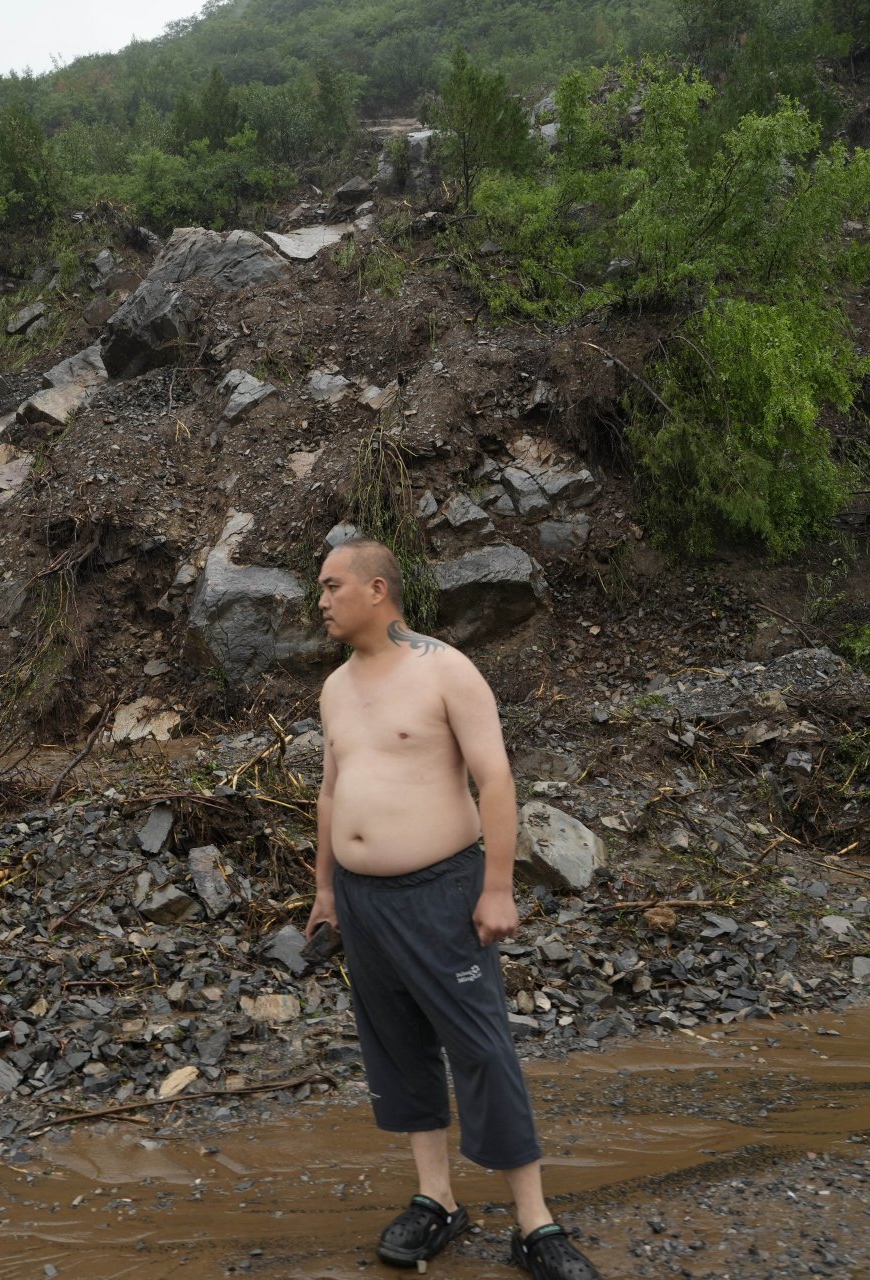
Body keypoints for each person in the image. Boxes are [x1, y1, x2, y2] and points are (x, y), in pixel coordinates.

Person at [305, 536, 601, 1280]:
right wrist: (325, 892)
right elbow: (333, 793)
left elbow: (495, 780)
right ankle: (435, 1200)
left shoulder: (446, 671)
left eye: (332, 586)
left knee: (480, 1047)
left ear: (377, 590)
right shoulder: (335, 688)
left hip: (442, 890)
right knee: (396, 1047)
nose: (321, 601)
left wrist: (497, 887)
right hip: (365, 903)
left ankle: (535, 1224)